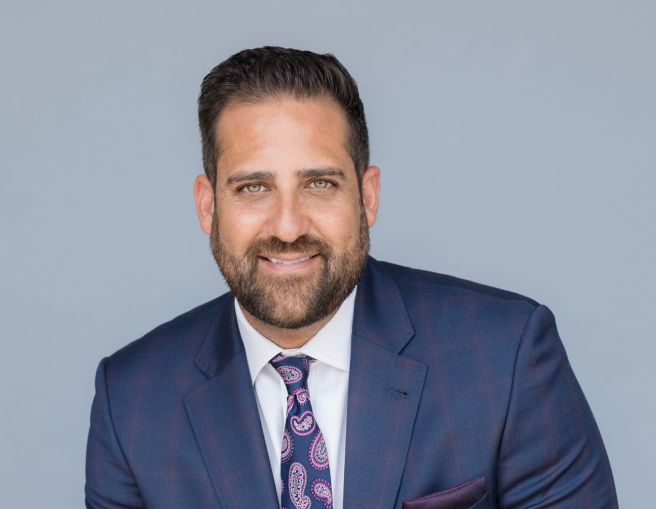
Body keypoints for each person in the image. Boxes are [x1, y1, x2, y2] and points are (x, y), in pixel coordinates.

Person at [85, 46, 618, 509]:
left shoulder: (506, 357)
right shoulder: (131, 402)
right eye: (253, 188)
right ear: (208, 206)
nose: (288, 227)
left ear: (368, 196)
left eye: (319, 184)